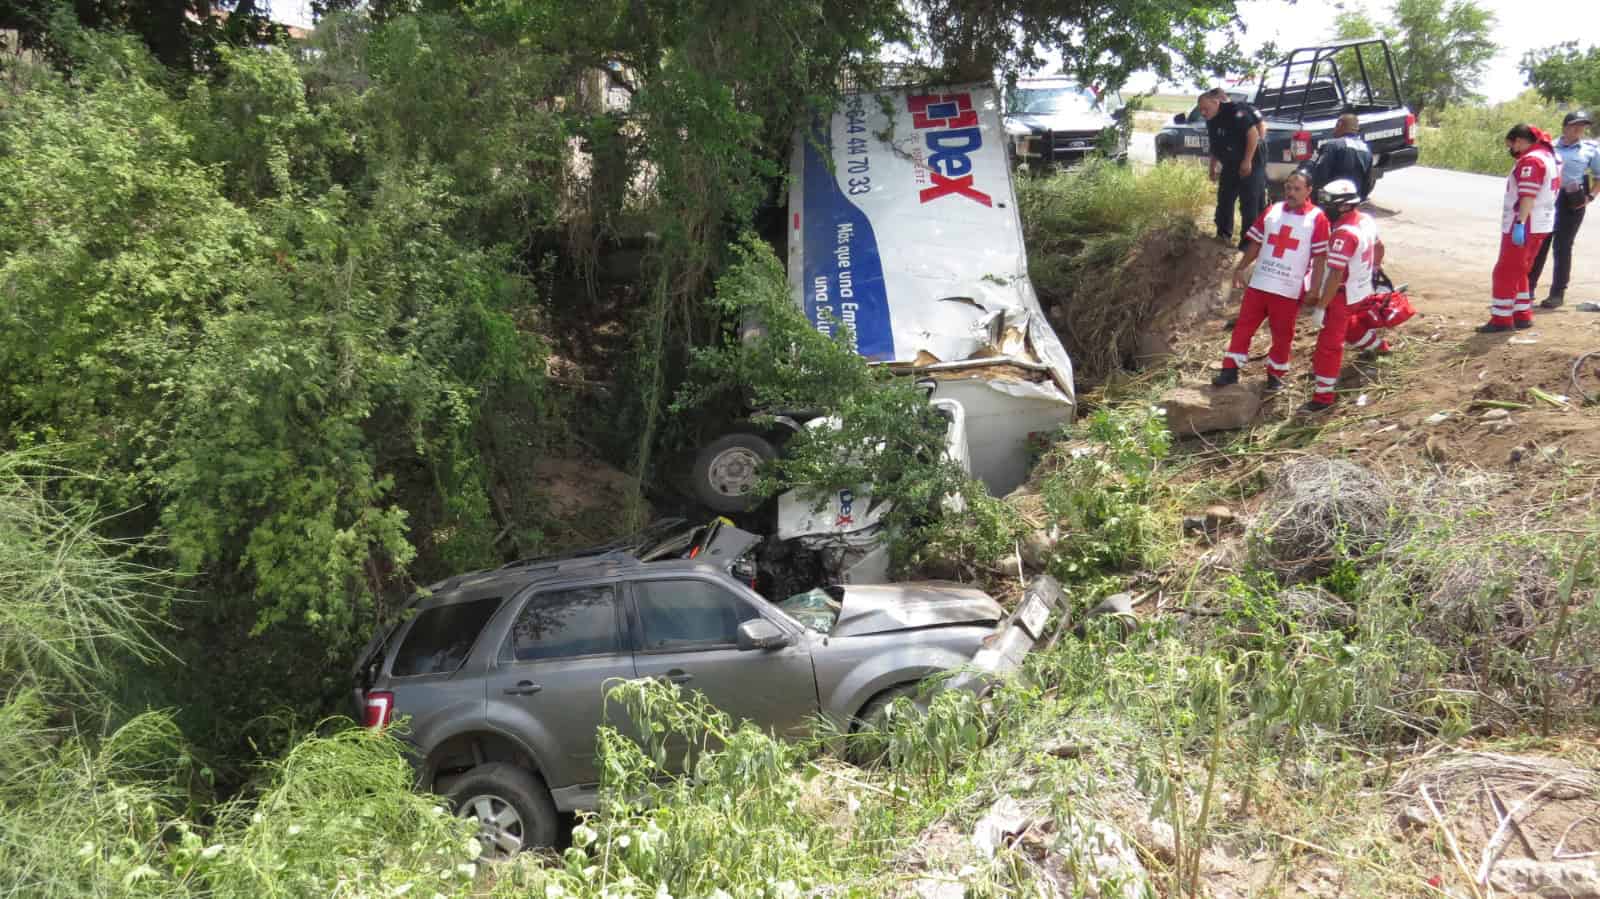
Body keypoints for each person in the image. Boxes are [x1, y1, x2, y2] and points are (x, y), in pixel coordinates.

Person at [1213, 170, 1330, 390]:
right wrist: (1241, 268)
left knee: (1282, 335)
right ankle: (1229, 370)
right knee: (1243, 328)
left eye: (1297, 189)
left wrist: (1314, 289)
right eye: (1288, 187)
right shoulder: (1273, 210)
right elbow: (1256, 243)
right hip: (1260, 284)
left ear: (1308, 191)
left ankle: (1275, 376)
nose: (1291, 192)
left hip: (1288, 289)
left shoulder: (1317, 219)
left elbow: (1320, 258)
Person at [1301, 178, 1383, 414]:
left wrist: (1320, 308)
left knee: (1329, 345)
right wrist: (1374, 270)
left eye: (1328, 202)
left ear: (1343, 206)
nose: (1323, 206)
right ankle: (1379, 346)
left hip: (1342, 295)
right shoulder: (1366, 220)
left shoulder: (1343, 235)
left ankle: (1323, 396)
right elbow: (1379, 247)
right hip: (1362, 289)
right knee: (1349, 325)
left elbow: (1335, 276)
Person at [1480, 123, 1561, 333]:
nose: (1512, 151)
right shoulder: (1548, 155)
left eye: (1512, 146)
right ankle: (1522, 314)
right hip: (1540, 223)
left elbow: (1527, 196)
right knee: (1520, 269)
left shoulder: (1531, 161)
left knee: (1505, 271)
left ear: (1519, 141)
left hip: (1526, 224)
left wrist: (1519, 224)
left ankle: (1501, 319)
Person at [1529, 110, 1600, 308]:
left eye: (1582, 125)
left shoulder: (1590, 150)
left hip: (1572, 201)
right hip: (1547, 199)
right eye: (1575, 125)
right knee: (1539, 243)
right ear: (1565, 127)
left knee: (1563, 247)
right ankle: (1527, 290)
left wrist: (1590, 197)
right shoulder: (1548, 147)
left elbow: (1599, 176)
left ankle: (1557, 294)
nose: (1579, 129)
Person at [1198, 87, 1267, 249]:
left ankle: (1247, 244)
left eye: (1205, 108)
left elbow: (1253, 135)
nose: (1203, 112)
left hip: (1251, 160)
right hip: (1230, 162)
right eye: (1200, 110)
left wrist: (1247, 161)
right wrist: (1212, 167)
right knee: (1224, 198)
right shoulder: (1211, 119)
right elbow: (1215, 145)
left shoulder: (1236, 112)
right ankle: (1223, 236)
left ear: (1216, 102)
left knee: (1249, 201)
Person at [1311, 114, 1374, 200]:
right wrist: (1360, 198)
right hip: (1352, 200)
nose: (1334, 129)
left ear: (1340, 125)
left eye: (1336, 125)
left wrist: (1314, 198)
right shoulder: (1366, 149)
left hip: (1332, 200)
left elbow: (1320, 174)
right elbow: (1368, 181)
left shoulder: (1332, 145)